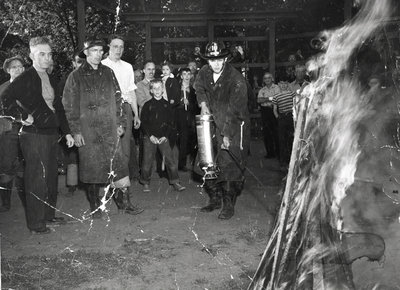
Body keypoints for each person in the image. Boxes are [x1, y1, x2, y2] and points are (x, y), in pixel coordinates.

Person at [63, 37, 143, 218]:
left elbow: (117, 98)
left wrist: (121, 123)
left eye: (100, 51)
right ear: (85, 53)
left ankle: (125, 203)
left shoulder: (108, 72)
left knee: (119, 164)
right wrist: (75, 131)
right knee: (91, 169)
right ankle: (95, 206)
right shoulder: (75, 76)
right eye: (93, 51)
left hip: (109, 128)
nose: (98, 54)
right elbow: (69, 106)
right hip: (88, 131)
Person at [2, 37, 74, 234]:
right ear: (31, 56)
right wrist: (22, 116)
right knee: (36, 179)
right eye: (41, 54)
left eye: (49, 54)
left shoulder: (50, 77)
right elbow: (5, 99)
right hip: (33, 136)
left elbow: (58, 107)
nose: (46, 58)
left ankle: (48, 217)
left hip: (51, 134)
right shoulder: (25, 78)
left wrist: (67, 132)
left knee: (51, 178)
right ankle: (36, 224)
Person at [194, 41, 250, 220]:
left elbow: (236, 111)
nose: (216, 63)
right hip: (211, 123)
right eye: (212, 60)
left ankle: (228, 205)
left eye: (219, 59)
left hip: (233, 124)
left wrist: (226, 134)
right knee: (206, 162)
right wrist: (203, 104)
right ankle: (215, 199)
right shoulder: (204, 72)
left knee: (228, 166)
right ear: (207, 61)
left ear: (225, 58)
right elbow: (198, 87)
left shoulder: (236, 79)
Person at [102, 35, 141, 187]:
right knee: (109, 147)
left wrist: (136, 114)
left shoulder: (128, 67)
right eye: (115, 46)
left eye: (121, 47)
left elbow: (131, 92)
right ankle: (109, 184)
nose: (118, 50)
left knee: (125, 149)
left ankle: (122, 186)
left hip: (125, 109)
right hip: (107, 109)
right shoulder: (102, 65)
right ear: (109, 47)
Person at [139, 79, 186, 192]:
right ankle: (145, 182)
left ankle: (175, 181)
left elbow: (171, 123)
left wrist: (165, 136)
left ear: (163, 89)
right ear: (151, 90)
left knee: (170, 160)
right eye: (154, 88)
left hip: (163, 138)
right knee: (147, 162)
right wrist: (150, 136)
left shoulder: (167, 105)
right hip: (150, 137)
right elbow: (143, 123)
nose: (157, 90)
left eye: (159, 88)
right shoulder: (147, 105)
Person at [0, 56, 26, 212]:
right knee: (7, 166)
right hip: (9, 132)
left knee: (26, 165)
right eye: (14, 67)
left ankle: (28, 202)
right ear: (8, 70)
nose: (18, 69)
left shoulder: (31, 86)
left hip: (28, 131)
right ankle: (5, 202)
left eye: (20, 66)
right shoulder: (2, 88)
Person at [176, 67, 199, 171]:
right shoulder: (176, 89)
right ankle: (181, 163)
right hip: (179, 116)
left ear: (191, 76)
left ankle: (190, 162)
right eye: (184, 74)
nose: (186, 76)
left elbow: (196, 107)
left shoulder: (193, 91)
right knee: (182, 139)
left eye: (188, 74)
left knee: (190, 139)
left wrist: (189, 104)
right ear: (181, 76)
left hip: (189, 117)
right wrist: (180, 103)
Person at [272, 80, 296, 171]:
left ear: (287, 84)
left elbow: (296, 104)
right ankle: (283, 163)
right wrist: (278, 118)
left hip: (291, 117)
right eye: (281, 84)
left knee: (291, 139)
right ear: (278, 85)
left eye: (285, 84)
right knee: (282, 140)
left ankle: (292, 161)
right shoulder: (276, 96)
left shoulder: (292, 94)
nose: (283, 86)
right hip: (282, 118)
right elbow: (274, 109)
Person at [257, 72, 281, 159]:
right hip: (265, 112)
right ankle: (270, 153)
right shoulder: (262, 90)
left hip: (274, 110)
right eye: (265, 78)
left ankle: (278, 152)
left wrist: (266, 99)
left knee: (276, 132)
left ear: (272, 79)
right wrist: (270, 98)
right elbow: (259, 100)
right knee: (267, 133)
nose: (267, 80)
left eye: (269, 78)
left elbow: (277, 98)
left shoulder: (277, 87)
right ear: (263, 80)